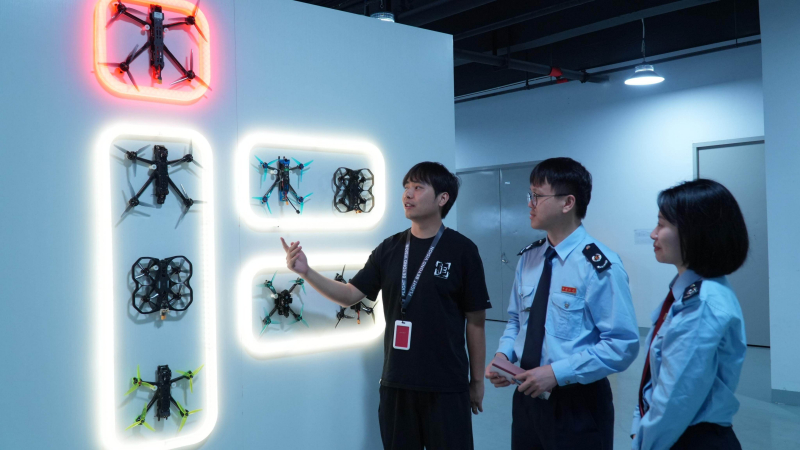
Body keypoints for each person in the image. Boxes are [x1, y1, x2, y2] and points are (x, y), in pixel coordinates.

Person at [281, 162, 491, 450]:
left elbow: (476, 321)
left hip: (446, 385)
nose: (408, 194)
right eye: (406, 187)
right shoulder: (389, 248)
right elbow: (349, 295)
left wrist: (476, 381)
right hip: (397, 384)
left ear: (443, 198)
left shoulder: (462, 250)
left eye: (418, 187)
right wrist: (306, 271)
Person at [485, 157, 640, 450]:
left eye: (537, 196)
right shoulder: (530, 258)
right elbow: (517, 320)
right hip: (527, 396)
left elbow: (622, 344)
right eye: (530, 194)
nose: (530, 203)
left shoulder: (598, 266)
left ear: (568, 203)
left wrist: (557, 373)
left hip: (577, 401)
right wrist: (503, 356)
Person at [631, 179, 748, 450]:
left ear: (694, 232)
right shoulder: (685, 292)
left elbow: (675, 400)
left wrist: (644, 443)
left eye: (661, 224)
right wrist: (640, 426)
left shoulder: (702, 304)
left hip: (691, 439)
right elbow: (657, 381)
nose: (653, 234)